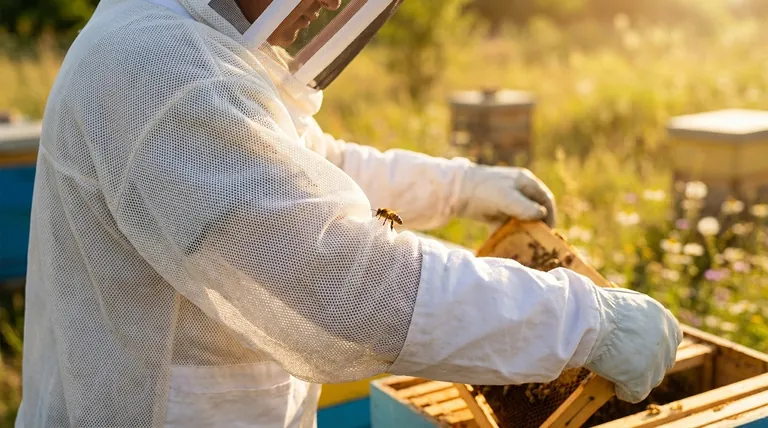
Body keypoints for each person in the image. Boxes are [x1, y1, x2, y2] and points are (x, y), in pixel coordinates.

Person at [16, 0, 682, 427]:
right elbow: (340, 279)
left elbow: (302, 167)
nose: (326, 6)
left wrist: (457, 187)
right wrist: (582, 323)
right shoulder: (165, 68)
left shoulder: (190, 39)